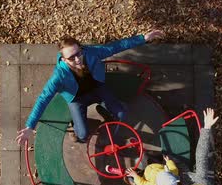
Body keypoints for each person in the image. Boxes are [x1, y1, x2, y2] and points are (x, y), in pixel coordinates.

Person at [16, 30, 163, 145]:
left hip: (97, 89)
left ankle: (111, 125)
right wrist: (30, 126)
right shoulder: (59, 76)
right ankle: (81, 127)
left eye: (78, 53)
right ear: (63, 60)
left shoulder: (92, 53)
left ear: (81, 49)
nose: (77, 59)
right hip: (77, 98)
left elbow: (116, 46)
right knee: (82, 134)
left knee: (122, 113)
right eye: (71, 58)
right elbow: (44, 98)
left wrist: (143, 38)